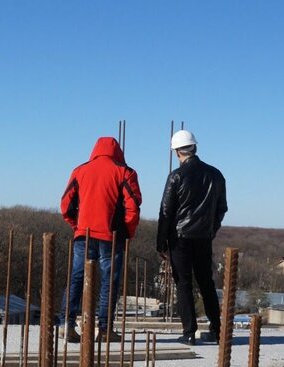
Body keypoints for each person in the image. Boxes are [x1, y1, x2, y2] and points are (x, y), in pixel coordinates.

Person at [59, 136, 142, 343]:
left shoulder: (80, 171)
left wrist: (76, 227)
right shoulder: (125, 172)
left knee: (77, 278)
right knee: (109, 283)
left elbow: (65, 206)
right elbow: (132, 207)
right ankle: (104, 329)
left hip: (83, 235)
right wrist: (128, 233)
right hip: (110, 237)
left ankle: (66, 324)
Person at [156, 130, 227, 345]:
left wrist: (161, 243)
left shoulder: (176, 176)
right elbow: (221, 208)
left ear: (178, 152)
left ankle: (189, 332)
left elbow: (166, 211)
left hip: (180, 237)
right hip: (203, 237)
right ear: (194, 148)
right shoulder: (215, 175)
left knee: (184, 283)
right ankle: (217, 330)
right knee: (206, 282)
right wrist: (210, 230)